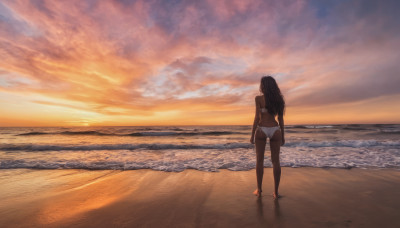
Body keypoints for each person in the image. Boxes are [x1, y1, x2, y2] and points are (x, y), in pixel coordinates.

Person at [250, 75, 285, 199]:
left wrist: (252, 135)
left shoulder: (258, 99)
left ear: (263, 86)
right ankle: (276, 192)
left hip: (261, 130)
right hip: (275, 130)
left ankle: (259, 190)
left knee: (259, 160)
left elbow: (256, 118)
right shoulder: (279, 100)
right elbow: (280, 119)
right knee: (276, 161)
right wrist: (283, 136)